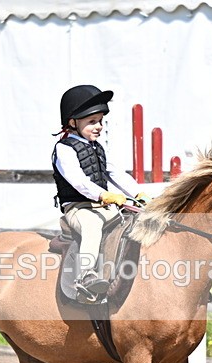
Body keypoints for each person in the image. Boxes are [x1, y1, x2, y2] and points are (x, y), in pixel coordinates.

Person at [51, 84, 149, 298]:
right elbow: (78, 181)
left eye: (100, 121)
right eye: (92, 122)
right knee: (92, 226)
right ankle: (85, 276)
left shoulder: (97, 148)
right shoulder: (64, 149)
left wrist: (138, 194)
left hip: (102, 205)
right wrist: (104, 195)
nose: (99, 127)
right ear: (72, 122)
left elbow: (116, 174)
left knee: (132, 222)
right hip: (79, 208)